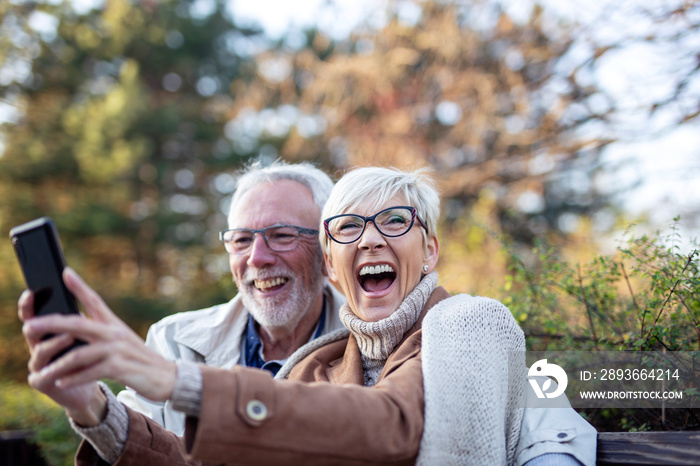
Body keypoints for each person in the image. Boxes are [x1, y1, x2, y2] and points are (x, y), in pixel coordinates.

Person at [20, 166, 597, 465]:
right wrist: (93, 409)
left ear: (431, 250)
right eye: (349, 228)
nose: (258, 256)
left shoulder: (465, 324)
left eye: (395, 222)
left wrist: (178, 383)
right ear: (332, 256)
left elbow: (384, 423)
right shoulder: (318, 363)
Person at [116, 161, 346, 435]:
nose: (257, 258)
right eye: (241, 240)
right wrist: (93, 407)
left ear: (328, 250)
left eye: (283, 235)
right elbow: (132, 448)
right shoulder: (172, 343)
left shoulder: (375, 348)